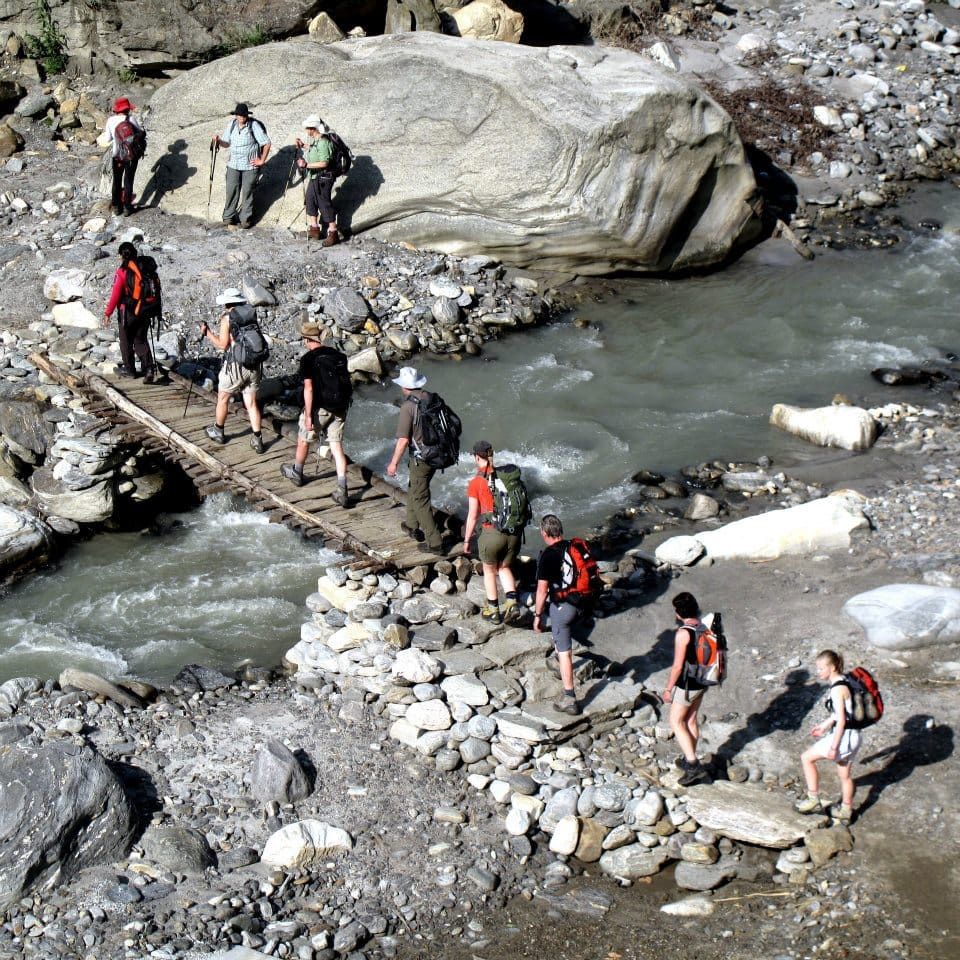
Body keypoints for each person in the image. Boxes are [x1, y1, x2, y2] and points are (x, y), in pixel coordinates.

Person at [281, 321, 350, 505]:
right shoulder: (339, 356)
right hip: (340, 408)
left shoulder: (308, 359)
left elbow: (309, 389)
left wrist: (309, 415)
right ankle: (342, 489)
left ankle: (297, 472)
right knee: (336, 447)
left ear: (306, 339)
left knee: (303, 440)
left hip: (320, 408)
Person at [795, 650, 861, 822]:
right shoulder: (845, 681)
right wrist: (824, 726)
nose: (818, 672)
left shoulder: (837, 690)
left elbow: (841, 721)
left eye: (820, 668)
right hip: (855, 737)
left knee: (806, 758)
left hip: (843, 738)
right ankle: (846, 811)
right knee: (845, 776)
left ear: (831, 667)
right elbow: (843, 713)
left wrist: (833, 747)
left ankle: (813, 799)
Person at [386, 366, 445, 555]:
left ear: (405, 387)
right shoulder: (431, 398)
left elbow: (403, 440)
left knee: (420, 498)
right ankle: (412, 525)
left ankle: (435, 542)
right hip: (437, 453)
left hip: (422, 458)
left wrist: (393, 462)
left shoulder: (408, 407)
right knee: (415, 487)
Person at [461, 440, 520, 624]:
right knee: (504, 567)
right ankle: (512, 602)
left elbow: (472, 516)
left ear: (476, 457)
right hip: (513, 534)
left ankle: (493, 610)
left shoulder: (476, 483)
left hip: (492, 534)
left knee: (489, 570)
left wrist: (466, 541)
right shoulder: (506, 476)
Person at [533, 514, 586, 717]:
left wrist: (538, 616)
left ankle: (569, 697)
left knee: (566, 652)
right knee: (562, 643)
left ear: (545, 533)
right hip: (582, 602)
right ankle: (557, 661)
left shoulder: (548, 555)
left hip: (563, 608)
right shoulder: (575, 546)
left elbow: (541, 590)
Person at [202, 288, 265, 453]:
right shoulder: (251, 313)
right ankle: (257, 439)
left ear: (227, 302)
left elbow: (223, 345)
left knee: (223, 398)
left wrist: (208, 333)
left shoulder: (227, 318)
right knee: (251, 403)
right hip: (254, 363)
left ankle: (218, 430)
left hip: (236, 366)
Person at [663, 591, 712, 786]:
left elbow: (677, 666)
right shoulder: (704, 627)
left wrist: (668, 690)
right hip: (703, 680)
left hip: (687, 683)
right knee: (691, 720)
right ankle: (689, 755)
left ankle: (693, 765)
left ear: (678, 613)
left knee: (676, 722)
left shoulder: (683, 633)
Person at [212, 103, 271, 229]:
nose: (241, 118)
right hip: (233, 164)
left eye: (243, 115)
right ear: (236, 115)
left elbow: (266, 143)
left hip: (250, 166)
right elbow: (226, 143)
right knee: (231, 190)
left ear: (247, 115)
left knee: (247, 192)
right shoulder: (232, 125)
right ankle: (228, 217)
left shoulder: (253, 126)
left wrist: (262, 160)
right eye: (239, 115)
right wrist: (218, 141)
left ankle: (245, 220)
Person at [103, 242, 155, 382]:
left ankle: (130, 369)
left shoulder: (122, 271)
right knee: (140, 340)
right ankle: (149, 368)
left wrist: (108, 313)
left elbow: (115, 294)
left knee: (126, 341)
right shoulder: (143, 268)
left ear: (121, 255)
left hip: (128, 312)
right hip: (144, 309)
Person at [294, 116, 340, 246]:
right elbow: (315, 150)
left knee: (324, 203)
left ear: (313, 129)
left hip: (323, 178)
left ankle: (333, 233)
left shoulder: (323, 141)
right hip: (315, 177)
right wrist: (303, 145)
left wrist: (306, 165)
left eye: (307, 128)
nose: (306, 130)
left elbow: (324, 162)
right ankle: (314, 230)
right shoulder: (317, 140)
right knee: (310, 200)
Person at [103, 96, 145, 216]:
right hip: (131, 156)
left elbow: (107, 139)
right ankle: (127, 207)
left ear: (116, 109)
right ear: (127, 109)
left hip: (117, 155)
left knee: (116, 180)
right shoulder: (131, 119)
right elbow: (141, 133)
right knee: (128, 180)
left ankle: (116, 206)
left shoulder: (110, 121)